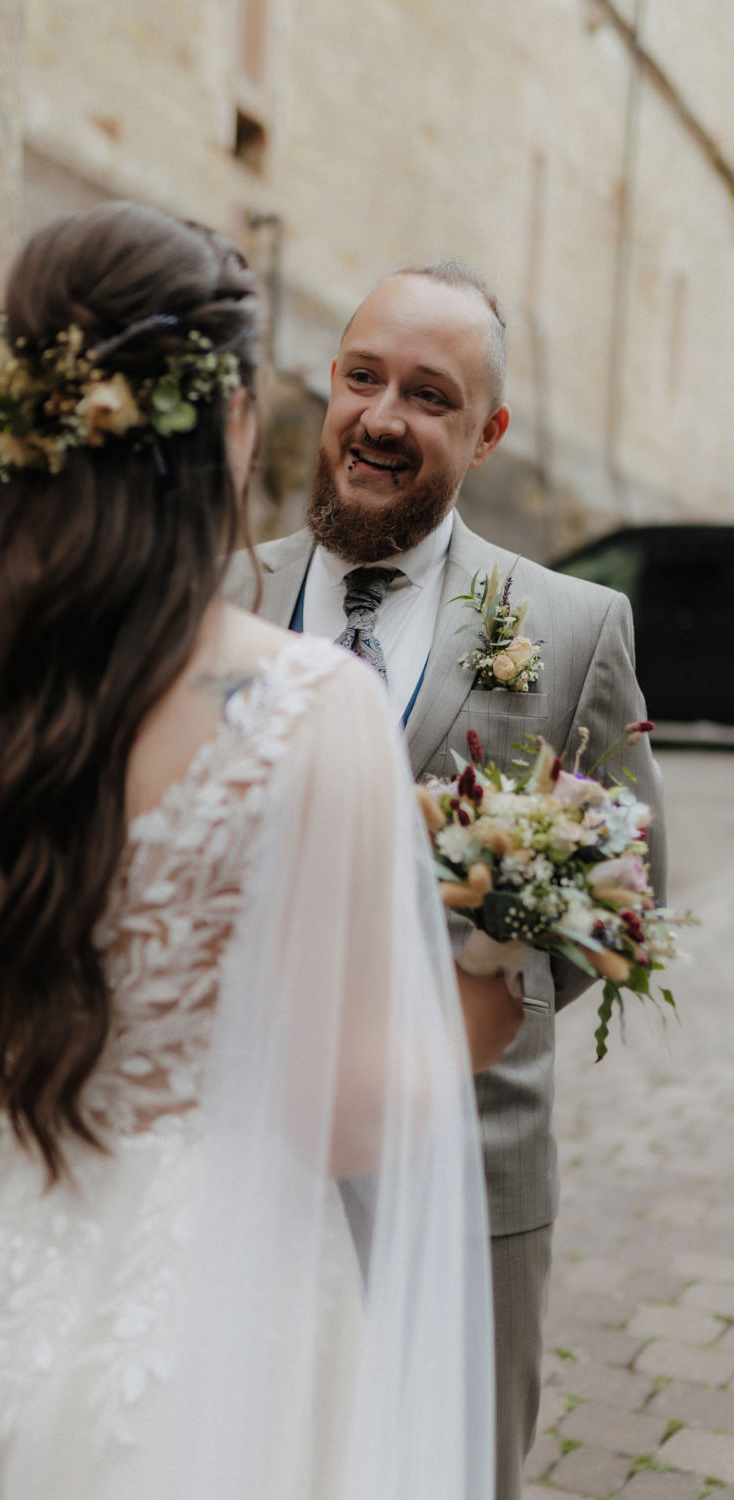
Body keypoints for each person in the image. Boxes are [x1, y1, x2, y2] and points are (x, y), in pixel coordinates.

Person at [0, 206, 503, 1499]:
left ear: (17, 410)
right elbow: (350, 1116)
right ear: (233, 422)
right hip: (185, 1312)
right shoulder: (308, 711)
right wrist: (475, 990)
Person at [224, 261, 667, 1500]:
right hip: (219, 1153)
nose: (380, 417)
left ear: (488, 434)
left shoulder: (571, 627)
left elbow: (625, 897)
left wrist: (455, 1021)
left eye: (429, 395)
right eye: (362, 377)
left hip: (466, 1166)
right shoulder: (211, 596)